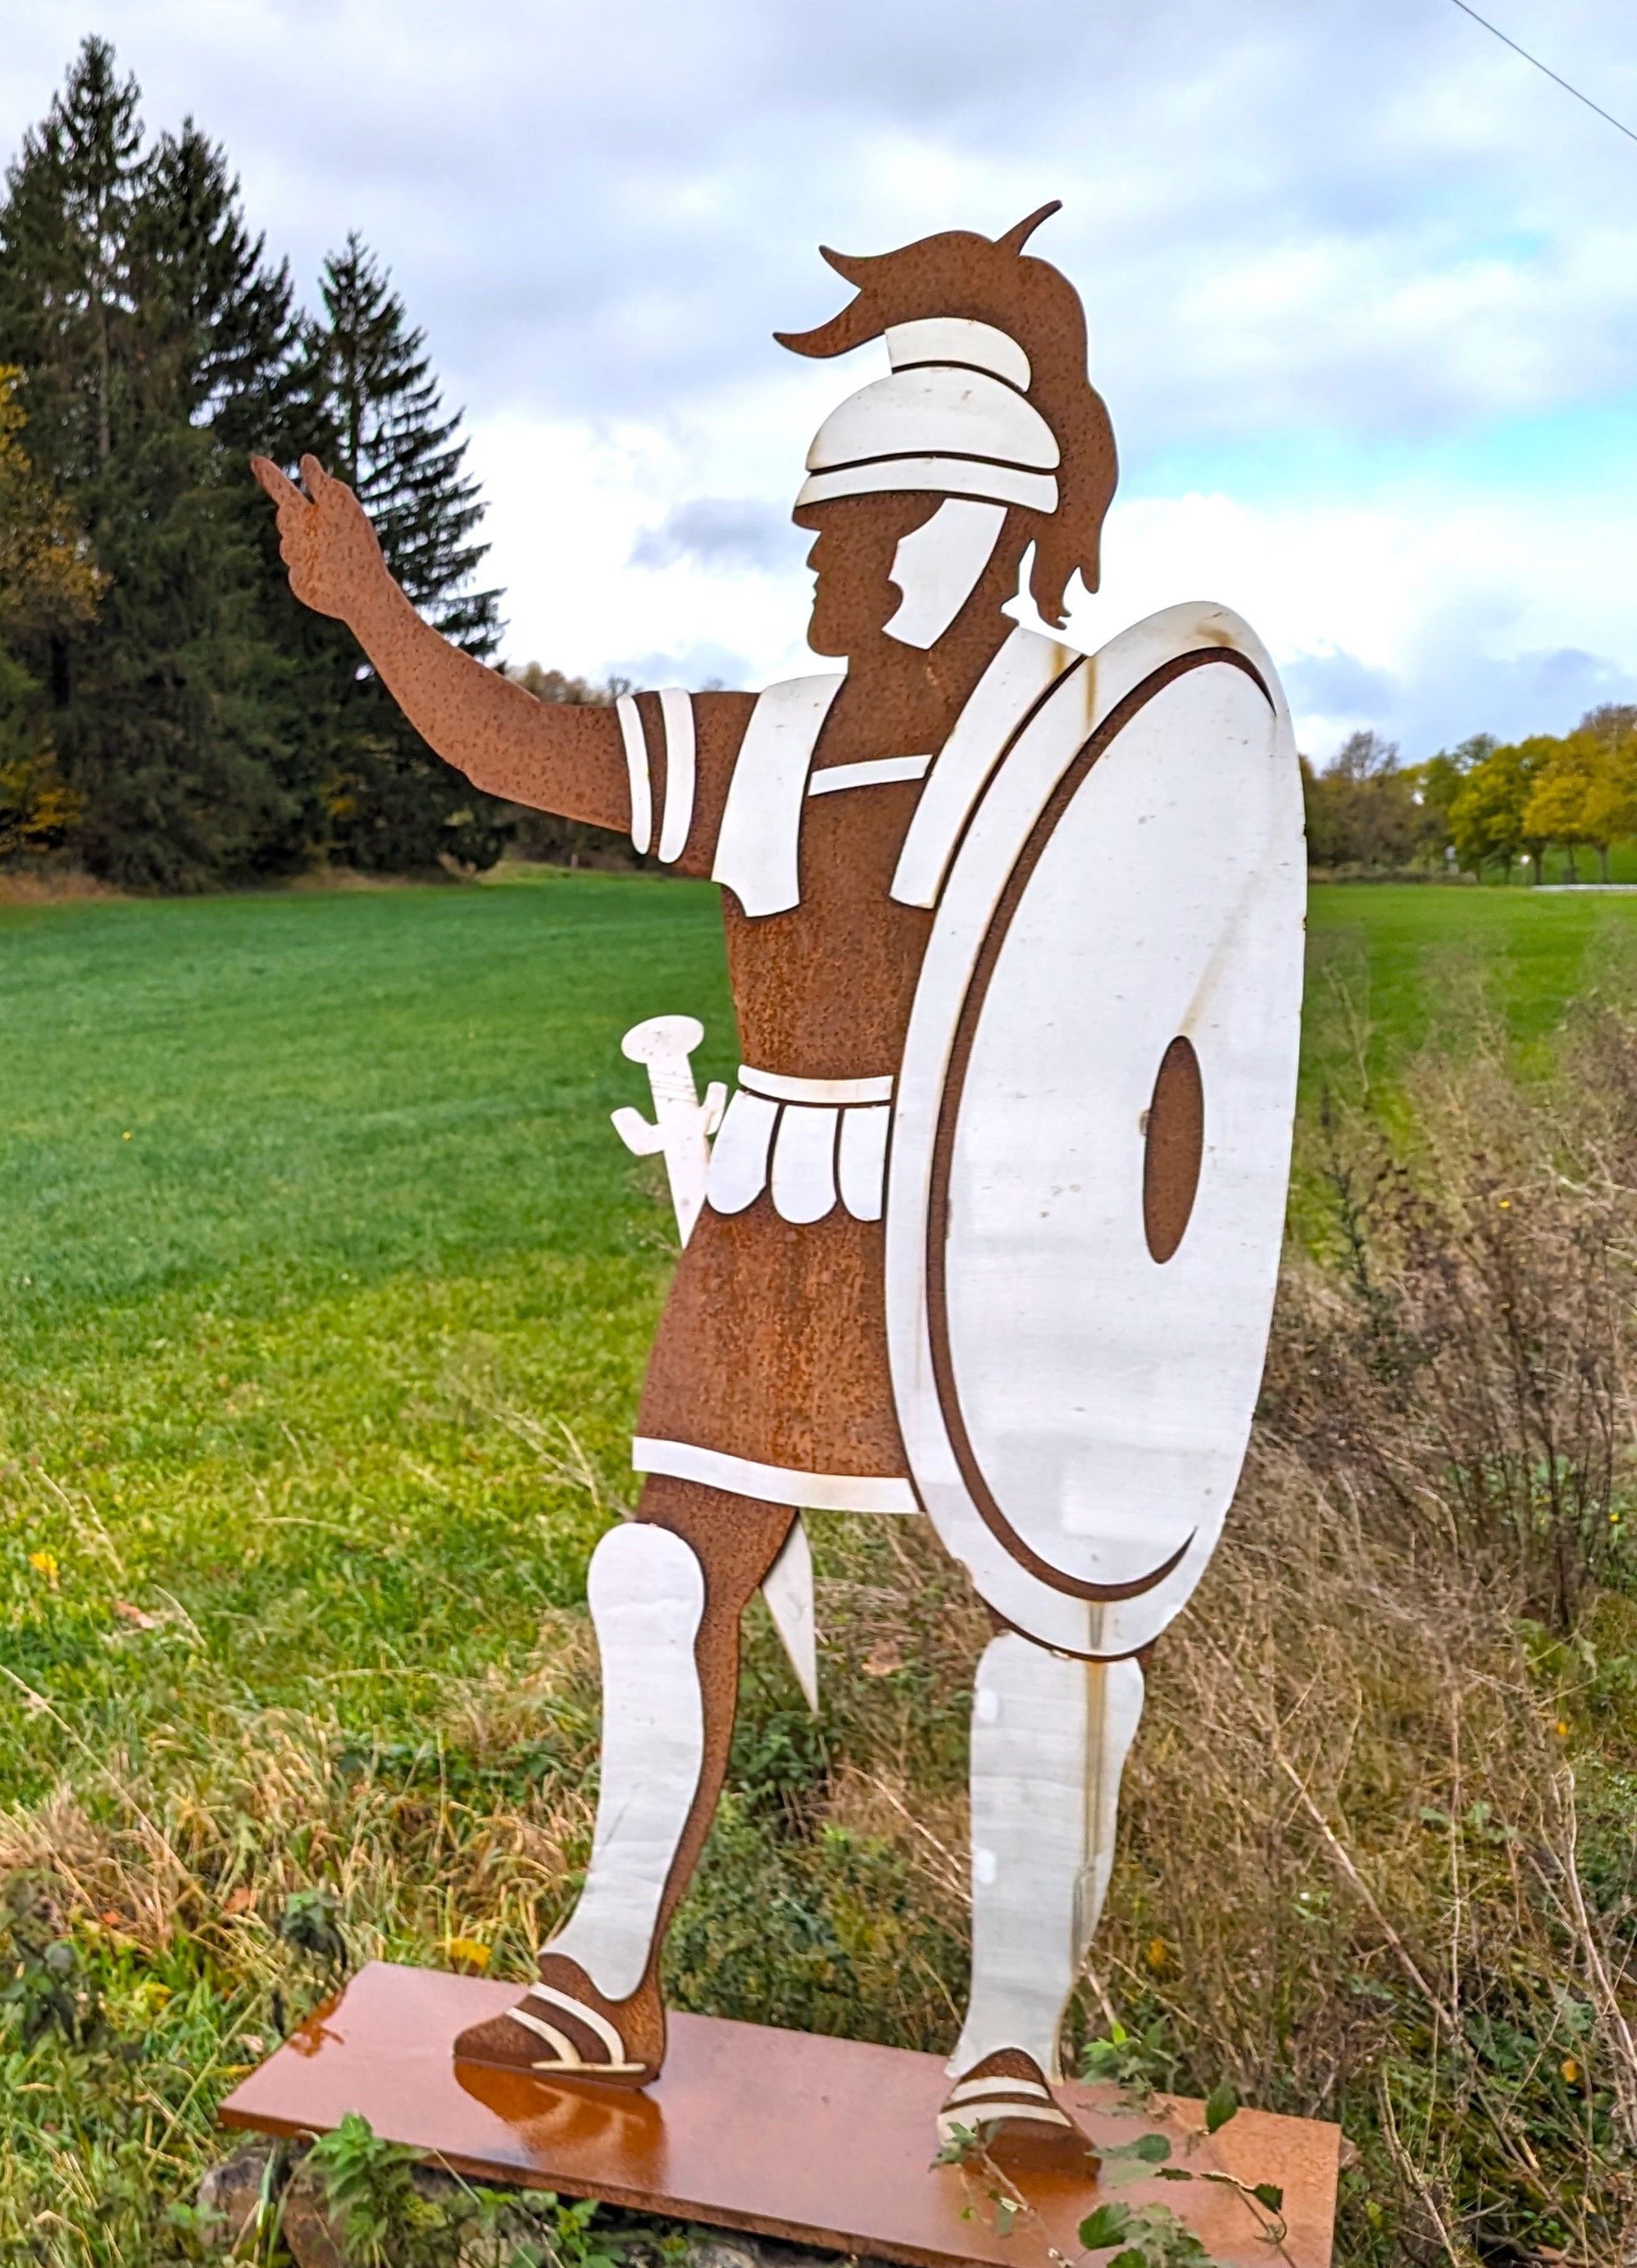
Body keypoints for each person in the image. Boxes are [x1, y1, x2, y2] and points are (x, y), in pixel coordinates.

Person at [256, 207, 1137, 2154]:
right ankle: (604, 1975)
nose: (818, 553)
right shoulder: (774, 743)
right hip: (767, 1223)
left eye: (858, 520)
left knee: (1053, 1613)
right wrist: (379, 621)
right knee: (661, 1575)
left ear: (971, 527)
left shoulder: (1085, 738)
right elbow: (536, 751)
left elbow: (1178, 1026)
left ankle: (1007, 2040)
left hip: (991, 1240)